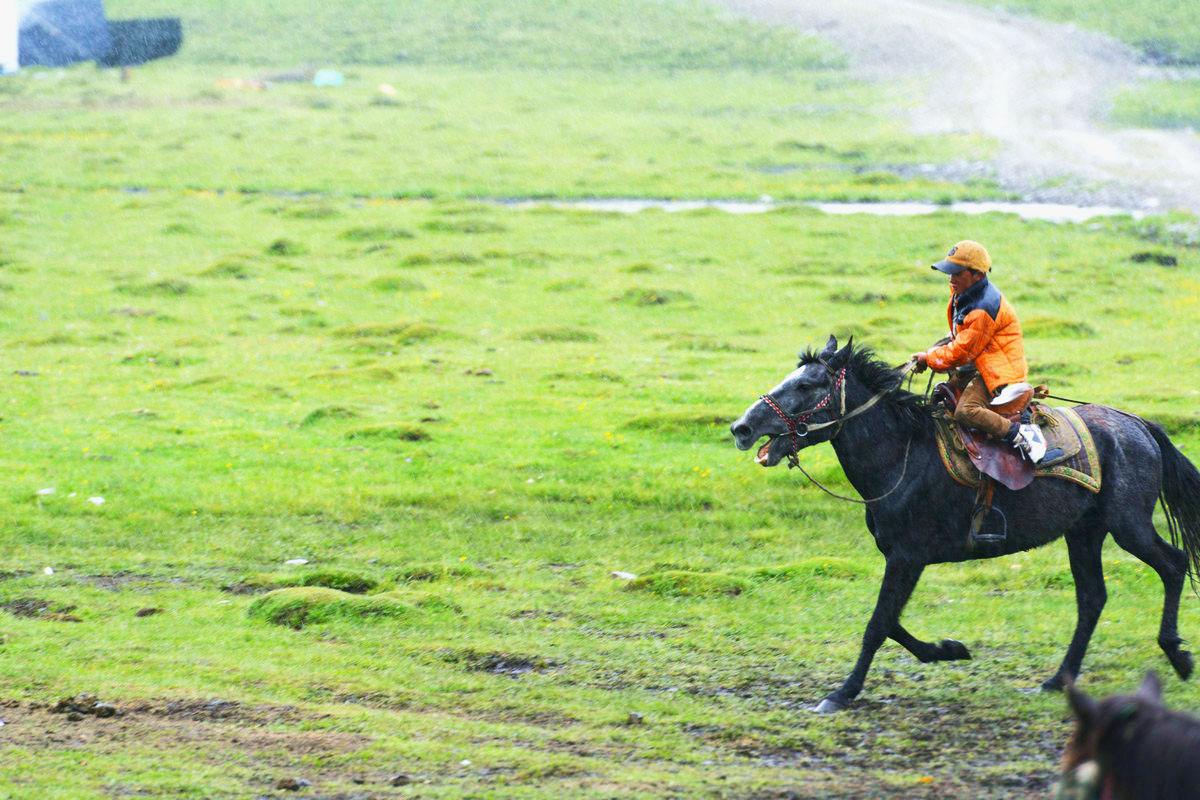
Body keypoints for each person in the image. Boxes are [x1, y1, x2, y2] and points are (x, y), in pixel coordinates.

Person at [911, 240, 1042, 459]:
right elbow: (960, 336)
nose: (951, 279)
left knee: (966, 411)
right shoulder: (963, 292)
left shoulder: (982, 309)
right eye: (950, 273)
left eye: (957, 274)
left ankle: (1020, 434)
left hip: (997, 372)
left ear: (977, 276)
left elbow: (961, 352)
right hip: (980, 363)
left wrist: (929, 358)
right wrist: (936, 350)